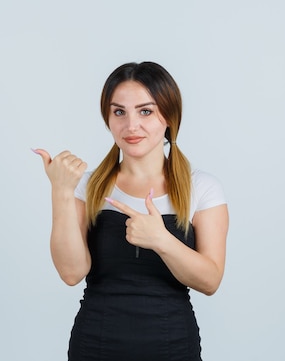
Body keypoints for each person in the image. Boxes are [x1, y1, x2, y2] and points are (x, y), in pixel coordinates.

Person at [33, 61, 229, 361]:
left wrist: (162, 241)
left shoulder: (202, 188)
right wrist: (60, 191)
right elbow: (71, 273)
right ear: (108, 118)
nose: (131, 125)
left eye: (145, 111)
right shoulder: (87, 186)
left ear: (169, 116)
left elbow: (210, 280)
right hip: (95, 347)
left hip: (173, 347)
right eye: (119, 112)